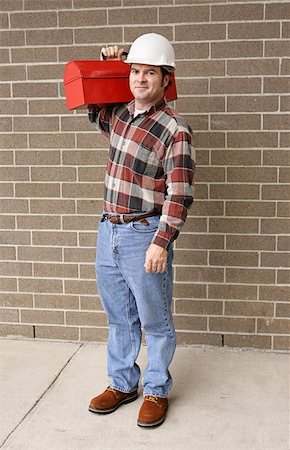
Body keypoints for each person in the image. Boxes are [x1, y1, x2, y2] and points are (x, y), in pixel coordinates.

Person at [88, 33, 195, 428]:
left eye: (150, 72)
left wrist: (161, 243)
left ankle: (155, 389)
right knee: (118, 316)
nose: (140, 78)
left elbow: (180, 194)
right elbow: (92, 107)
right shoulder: (119, 115)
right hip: (108, 231)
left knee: (155, 320)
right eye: (135, 71)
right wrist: (111, 62)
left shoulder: (174, 129)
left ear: (166, 79)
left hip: (144, 235)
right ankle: (122, 384)